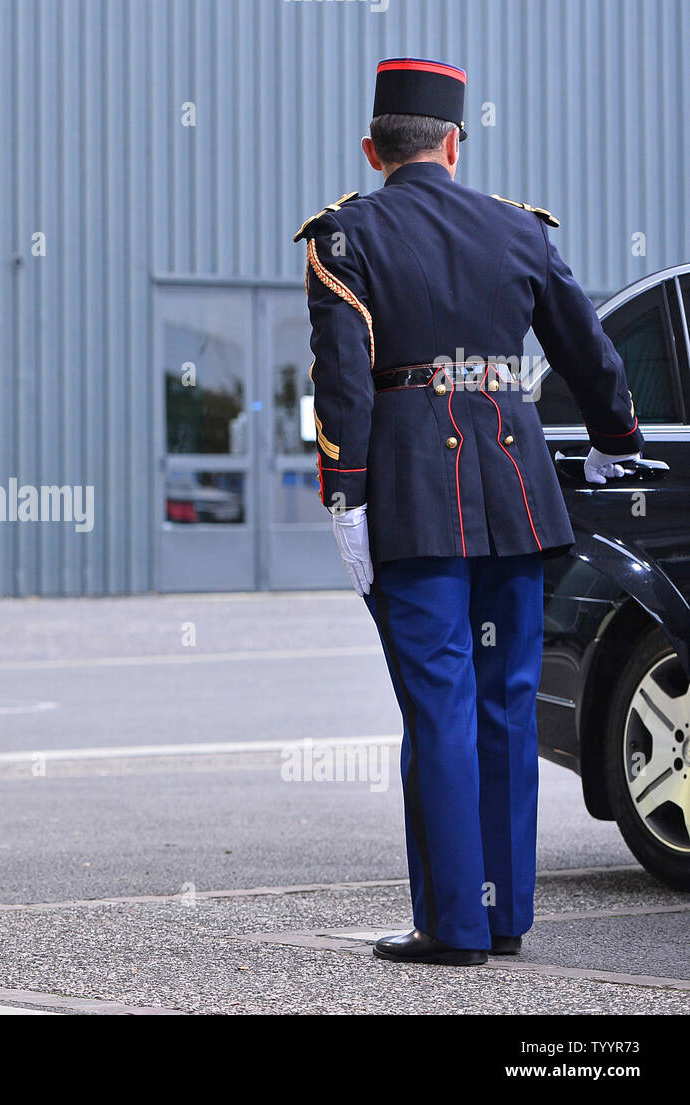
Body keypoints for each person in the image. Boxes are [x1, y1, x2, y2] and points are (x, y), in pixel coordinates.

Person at [295, 59, 644, 965]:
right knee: (507, 706)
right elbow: (590, 349)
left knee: (439, 710)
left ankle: (452, 927)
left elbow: (344, 380)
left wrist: (345, 491)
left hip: (412, 493)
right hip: (517, 492)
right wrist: (614, 436)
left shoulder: (344, 236)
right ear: (456, 142)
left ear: (373, 150)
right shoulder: (518, 230)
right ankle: (503, 914)